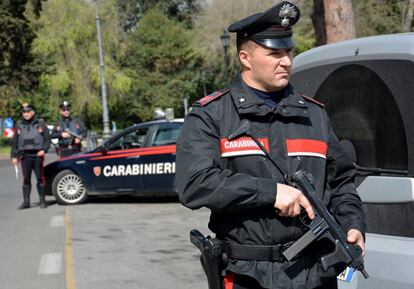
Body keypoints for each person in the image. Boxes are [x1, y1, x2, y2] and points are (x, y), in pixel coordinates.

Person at [176, 2, 366, 289]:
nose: (286, 61)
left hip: (317, 274)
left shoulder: (314, 114)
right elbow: (193, 183)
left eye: (288, 51)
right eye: (274, 53)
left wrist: (354, 224)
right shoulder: (212, 115)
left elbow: (342, 183)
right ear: (245, 58)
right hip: (249, 276)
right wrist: (270, 192)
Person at [11, 103, 51, 209]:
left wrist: (44, 150)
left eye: (28, 111)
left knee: (40, 178)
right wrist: (14, 156)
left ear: (33, 112)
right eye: (24, 112)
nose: (26, 113)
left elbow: (47, 139)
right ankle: (26, 202)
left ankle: (42, 201)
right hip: (24, 156)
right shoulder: (19, 124)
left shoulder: (41, 123)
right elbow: (15, 141)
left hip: (37, 155)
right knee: (26, 179)